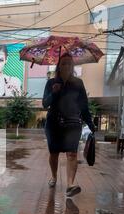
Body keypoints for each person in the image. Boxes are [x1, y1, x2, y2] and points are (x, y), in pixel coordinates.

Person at [42, 53, 96, 197]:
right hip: (53, 123)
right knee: (54, 153)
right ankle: (54, 176)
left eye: (69, 63)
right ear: (59, 66)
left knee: (72, 154)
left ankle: (70, 185)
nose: (66, 66)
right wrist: (53, 93)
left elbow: (84, 106)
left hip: (73, 123)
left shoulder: (78, 83)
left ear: (72, 66)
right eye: (63, 63)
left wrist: (90, 123)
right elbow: (44, 104)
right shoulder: (51, 83)